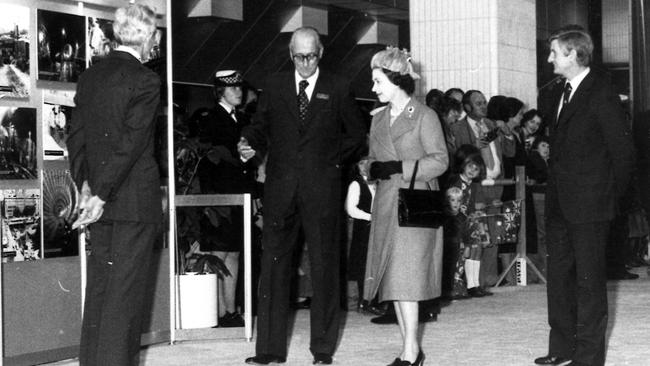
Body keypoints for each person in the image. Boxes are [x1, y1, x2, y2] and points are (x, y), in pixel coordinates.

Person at [237, 26, 366, 365]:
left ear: (320, 53)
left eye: (311, 56)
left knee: (324, 268)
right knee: (274, 267)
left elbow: (356, 134)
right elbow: (261, 126)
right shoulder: (276, 84)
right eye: (299, 56)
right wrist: (250, 143)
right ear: (290, 54)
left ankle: (322, 350)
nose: (306, 62)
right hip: (280, 189)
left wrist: (332, 160)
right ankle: (268, 349)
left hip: (322, 189)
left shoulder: (338, 86)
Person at [534, 25, 635, 366]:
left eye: (554, 53)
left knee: (590, 284)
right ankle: (561, 348)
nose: (549, 60)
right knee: (559, 277)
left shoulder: (601, 93)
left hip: (591, 205)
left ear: (574, 55)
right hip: (560, 202)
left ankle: (589, 357)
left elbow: (623, 154)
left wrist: (608, 199)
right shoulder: (559, 93)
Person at [67, 4, 161, 366]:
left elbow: (76, 138)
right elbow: (133, 144)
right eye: (155, 34)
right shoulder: (146, 80)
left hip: (100, 204)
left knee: (101, 296)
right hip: (132, 204)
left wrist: (88, 189)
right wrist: (102, 193)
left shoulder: (90, 76)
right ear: (148, 37)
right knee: (124, 304)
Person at [363, 47, 448, 366]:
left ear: (396, 80)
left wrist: (400, 167)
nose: (373, 89)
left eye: (378, 82)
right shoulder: (378, 119)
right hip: (386, 203)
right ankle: (409, 347)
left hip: (414, 205)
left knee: (406, 280)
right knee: (394, 282)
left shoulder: (425, 116)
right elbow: (371, 160)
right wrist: (371, 168)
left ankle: (410, 352)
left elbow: (440, 161)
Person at [196, 70, 258, 327]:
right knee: (219, 253)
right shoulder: (211, 119)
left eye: (240, 88)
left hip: (238, 193)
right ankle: (219, 311)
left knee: (233, 252)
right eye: (233, 89)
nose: (239, 92)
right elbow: (210, 158)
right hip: (218, 195)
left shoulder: (241, 119)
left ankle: (230, 310)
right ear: (221, 91)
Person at [344, 157, 380, 313]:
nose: (366, 166)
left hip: (378, 228)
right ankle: (364, 301)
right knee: (363, 265)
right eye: (363, 163)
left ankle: (375, 300)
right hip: (363, 228)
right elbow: (350, 209)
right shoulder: (356, 184)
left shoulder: (378, 184)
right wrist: (370, 216)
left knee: (376, 263)